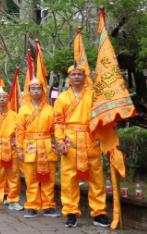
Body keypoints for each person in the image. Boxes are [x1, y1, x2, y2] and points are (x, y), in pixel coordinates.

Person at [54, 65, 111, 228]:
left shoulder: (93, 96)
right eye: (74, 74)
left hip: (90, 139)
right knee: (68, 179)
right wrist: (60, 141)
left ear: (85, 77)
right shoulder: (62, 98)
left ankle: (99, 213)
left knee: (97, 179)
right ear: (69, 78)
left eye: (80, 74)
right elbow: (58, 122)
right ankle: (70, 213)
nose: (77, 77)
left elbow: (101, 117)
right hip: (70, 141)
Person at [16, 77, 60, 218]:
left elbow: (56, 129)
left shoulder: (50, 110)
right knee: (31, 178)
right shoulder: (23, 110)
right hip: (29, 146)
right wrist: (19, 149)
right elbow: (19, 131)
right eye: (33, 89)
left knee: (48, 177)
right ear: (28, 91)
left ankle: (48, 206)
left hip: (47, 145)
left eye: (38, 88)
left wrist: (59, 143)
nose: (36, 91)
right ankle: (32, 206)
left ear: (43, 91)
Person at [0, 88, 23, 212]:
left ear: (8, 99)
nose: (1, 99)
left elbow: (19, 132)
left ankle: (13, 200)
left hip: (11, 147)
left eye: (4, 97)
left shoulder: (14, 115)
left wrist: (19, 146)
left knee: (14, 175)